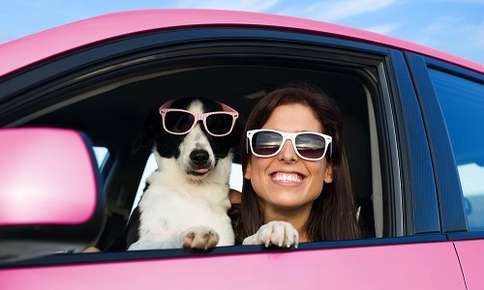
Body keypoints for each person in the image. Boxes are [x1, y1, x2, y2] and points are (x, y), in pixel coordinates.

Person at [234, 84, 360, 247]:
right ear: (248, 165)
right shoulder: (213, 240)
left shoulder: (362, 257)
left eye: (309, 145)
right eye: (269, 141)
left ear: (328, 170)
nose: (287, 156)